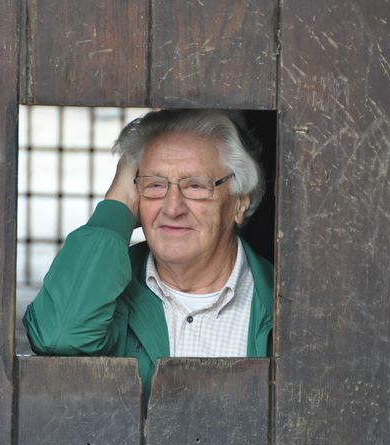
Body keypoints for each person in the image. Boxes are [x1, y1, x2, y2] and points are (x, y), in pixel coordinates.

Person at [23, 109, 273, 401]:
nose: (173, 208)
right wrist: (115, 208)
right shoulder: (105, 293)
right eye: (155, 185)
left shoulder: (283, 302)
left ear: (240, 203)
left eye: (196, 185)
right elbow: (58, 337)